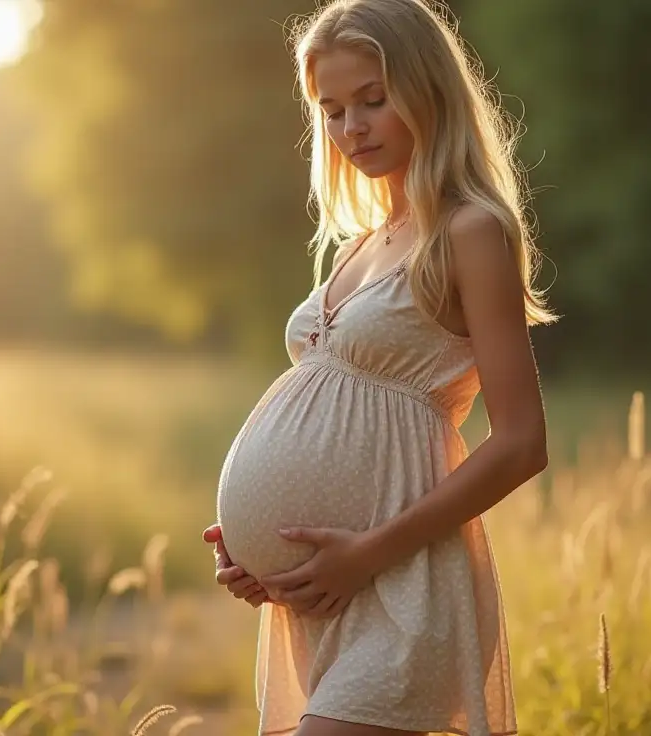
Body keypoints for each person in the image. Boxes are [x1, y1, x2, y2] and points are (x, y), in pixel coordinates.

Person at [204, 0, 555, 734]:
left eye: (372, 100)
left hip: (406, 584)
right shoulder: (357, 245)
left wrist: (366, 553)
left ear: (427, 90)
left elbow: (523, 443)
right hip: (332, 591)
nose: (351, 127)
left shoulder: (471, 232)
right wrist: (258, 554)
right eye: (331, 111)